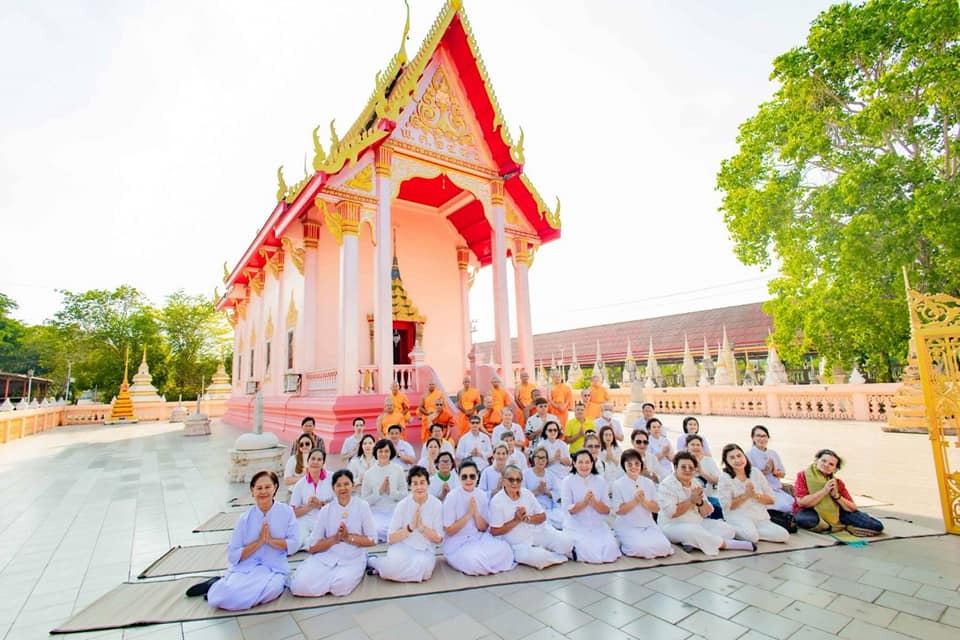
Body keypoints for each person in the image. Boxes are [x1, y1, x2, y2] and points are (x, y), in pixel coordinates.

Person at [189, 471, 299, 610]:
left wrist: (270, 540)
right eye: (259, 488)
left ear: (275, 488)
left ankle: (221, 587)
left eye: (267, 487)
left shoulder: (286, 512)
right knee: (222, 597)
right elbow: (233, 554)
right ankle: (219, 586)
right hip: (246, 566)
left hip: (273, 568)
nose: (263, 491)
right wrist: (259, 542)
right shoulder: (244, 519)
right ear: (252, 491)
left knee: (272, 590)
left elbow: (294, 544)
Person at [289, 469, 376, 597]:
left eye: (346, 484)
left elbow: (373, 540)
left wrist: (348, 538)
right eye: (338, 485)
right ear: (333, 488)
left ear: (352, 485)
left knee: (340, 587)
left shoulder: (362, 506)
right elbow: (312, 547)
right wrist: (335, 539)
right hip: (327, 556)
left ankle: (364, 564)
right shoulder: (326, 510)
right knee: (299, 586)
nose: (343, 488)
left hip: (353, 557)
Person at [656, 452, 754, 556]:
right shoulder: (666, 485)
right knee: (692, 531)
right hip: (672, 526)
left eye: (691, 467)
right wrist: (691, 501)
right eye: (683, 467)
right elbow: (671, 513)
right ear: (675, 467)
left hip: (697, 522)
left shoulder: (695, 483)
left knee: (727, 529)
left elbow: (707, 512)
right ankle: (729, 544)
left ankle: (691, 542)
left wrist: (700, 502)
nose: (687, 470)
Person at [367, 466, 444, 582]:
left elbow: (439, 539)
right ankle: (374, 561)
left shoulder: (436, 504)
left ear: (428, 484)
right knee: (390, 569)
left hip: (425, 550)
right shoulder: (403, 505)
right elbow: (390, 538)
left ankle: (383, 569)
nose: (419, 487)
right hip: (403, 546)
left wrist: (422, 528)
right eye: (415, 483)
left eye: (422, 482)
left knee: (425, 572)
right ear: (410, 486)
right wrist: (409, 528)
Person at [490, 465, 574, 569]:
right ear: (503, 481)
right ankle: (554, 556)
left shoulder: (526, 493)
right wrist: (516, 520)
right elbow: (494, 531)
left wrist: (529, 519)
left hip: (537, 532)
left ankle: (552, 552)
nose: (515, 483)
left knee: (567, 542)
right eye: (511, 480)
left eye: (518, 480)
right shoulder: (497, 502)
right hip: (518, 544)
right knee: (540, 558)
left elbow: (543, 516)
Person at [442, 460, 516, 575]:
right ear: (459, 477)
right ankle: (483, 563)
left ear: (477, 476)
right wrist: (468, 514)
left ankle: (486, 562)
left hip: (478, 537)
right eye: (464, 477)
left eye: (472, 476)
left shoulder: (481, 495)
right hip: (457, 543)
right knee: (474, 562)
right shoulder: (452, 497)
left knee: (505, 549)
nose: (468, 480)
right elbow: (449, 531)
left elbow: (484, 527)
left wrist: (476, 513)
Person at [793, 449, 883, 536]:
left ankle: (832, 525)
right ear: (816, 460)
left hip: (836, 513)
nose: (826, 465)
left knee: (877, 526)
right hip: (810, 511)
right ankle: (839, 526)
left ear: (835, 469)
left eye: (831, 464)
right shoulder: (803, 476)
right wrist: (824, 491)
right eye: (823, 461)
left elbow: (852, 507)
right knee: (805, 520)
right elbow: (802, 503)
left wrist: (836, 496)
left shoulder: (837, 483)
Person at [718, 444, 789, 544]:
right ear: (726, 461)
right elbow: (727, 506)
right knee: (752, 538)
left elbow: (772, 500)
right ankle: (729, 528)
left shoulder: (755, 472)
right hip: (738, 516)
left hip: (759, 516)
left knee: (783, 535)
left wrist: (755, 495)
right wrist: (746, 495)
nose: (737, 460)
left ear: (744, 456)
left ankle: (751, 532)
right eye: (732, 458)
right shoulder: (724, 477)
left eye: (739, 456)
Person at [561, 449, 621, 563]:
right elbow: (568, 510)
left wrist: (594, 502)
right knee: (589, 552)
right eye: (580, 462)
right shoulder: (567, 481)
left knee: (610, 550)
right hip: (576, 525)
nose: (584, 466)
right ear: (574, 463)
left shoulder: (600, 481)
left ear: (592, 464)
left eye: (587, 462)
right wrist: (584, 503)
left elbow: (606, 510)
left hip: (597, 525)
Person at [612, 450, 674, 558]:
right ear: (623, 466)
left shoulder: (648, 483)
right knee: (640, 549)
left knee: (664, 547)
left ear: (641, 464)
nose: (634, 467)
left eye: (637, 463)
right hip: (628, 525)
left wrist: (644, 502)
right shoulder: (618, 484)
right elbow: (618, 510)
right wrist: (635, 501)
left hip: (648, 524)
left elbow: (656, 508)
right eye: (629, 464)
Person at [360, 439, 408, 542]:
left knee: (403, 527)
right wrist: (380, 492)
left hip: (395, 511)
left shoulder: (398, 469)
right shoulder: (369, 473)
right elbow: (364, 501)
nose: (383, 454)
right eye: (380, 451)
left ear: (391, 452)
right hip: (377, 512)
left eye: (386, 451)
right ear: (376, 452)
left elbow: (405, 495)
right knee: (376, 530)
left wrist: (392, 492)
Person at [289, 447, 334, 548]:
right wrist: (309, 507)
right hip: (305, 522)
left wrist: (321, 504)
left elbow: (340, 504)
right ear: (308, 461)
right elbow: (292, 512)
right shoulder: (300, 484)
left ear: (323, 463)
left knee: (320, 543)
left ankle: (311, 542)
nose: (315, 462)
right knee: (295, 544)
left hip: (326, 521)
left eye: (319, 459)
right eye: (313, 459)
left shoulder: (332, 478)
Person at [747, 425, 794, 513]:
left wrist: (777, 473)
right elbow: (749, 478)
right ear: (753, 438)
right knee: (782, 507)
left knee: (793, 505)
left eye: (764, 436)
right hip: (761, 491)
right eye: (758, 436)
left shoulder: (773, 453)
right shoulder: (749, 455)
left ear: (768, 438)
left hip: (776, 489)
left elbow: (783, 473)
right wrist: (766, 470)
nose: (761, 438)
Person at [523, 445, 562, 528]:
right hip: (532, 509)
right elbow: (521, 495)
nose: (541, 460)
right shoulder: (525, 474)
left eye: (543, 458)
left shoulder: (550, 475)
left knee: (562, 520)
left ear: (547, 460)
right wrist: (537, 491)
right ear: (533, 458)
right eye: (538, 457)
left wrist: (546, 491)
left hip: (548, 509)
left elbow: (558, 494)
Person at [686, 435, 722, 517]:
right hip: (687, 499)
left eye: (698, 445)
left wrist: (701, 472)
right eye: (692, 445)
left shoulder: (709, 461)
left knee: (721, 508)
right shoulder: (682, 462)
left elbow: (717, 481)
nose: (695, 447)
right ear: (687, 447)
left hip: (707, 498)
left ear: (702, 447)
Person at [539, 419, 571, 488]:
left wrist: (560, 459)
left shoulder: (563, 444)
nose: (553, 432)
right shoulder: (541, 445)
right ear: (545, 432)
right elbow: (540, 464)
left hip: (562, 475)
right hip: (548, 475)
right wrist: (554, 458)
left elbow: (569, 463)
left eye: (555, 430)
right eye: (550, 430)